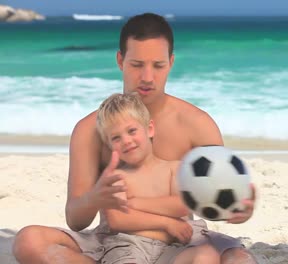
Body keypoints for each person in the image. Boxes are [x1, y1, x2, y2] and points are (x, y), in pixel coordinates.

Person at [13, 12, 257, 264]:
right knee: (29, 240)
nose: (148, 77)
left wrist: (239, 209)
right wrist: (95, 197)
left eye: (158, 65)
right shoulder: (89, 129)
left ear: (171, 63)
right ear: (120, 60)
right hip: (113, 241)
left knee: (238, 258)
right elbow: (76, 220)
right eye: (137, 65)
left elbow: (215, 200)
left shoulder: (196, 124)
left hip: (181, 243)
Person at [94, 92, 232, 263]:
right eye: (116, 138)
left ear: (149, 129)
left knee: (206, 256)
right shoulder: (116, 177)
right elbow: (118, 219)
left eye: (132, 131)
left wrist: (134, 203)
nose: (126, 141)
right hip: (131, 247)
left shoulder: (173, 169)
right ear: (109, 145)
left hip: (174, 248)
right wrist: (167, 224)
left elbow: (182, 205)